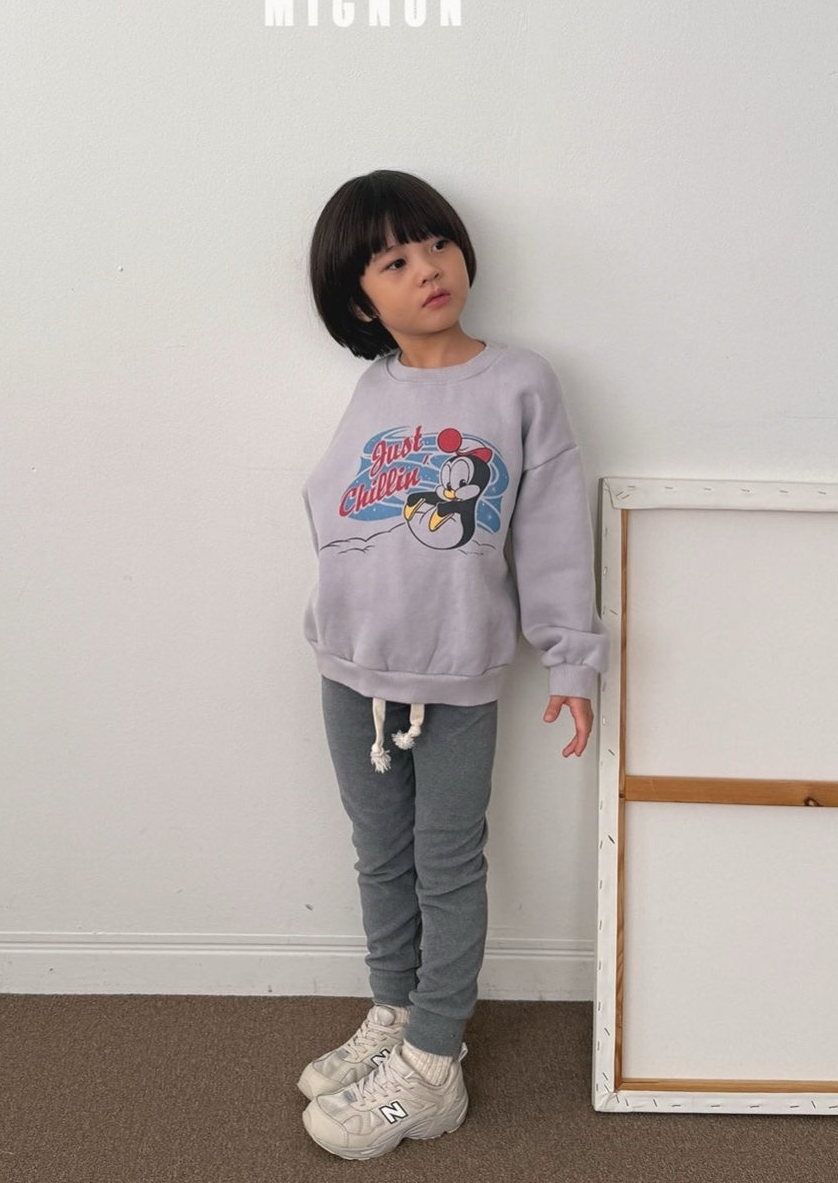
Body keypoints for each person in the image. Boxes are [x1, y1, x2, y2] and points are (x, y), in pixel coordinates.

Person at [296, 169, 609, 1160]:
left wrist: (570, 657)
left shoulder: (519, 382)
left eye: (435, 244)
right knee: (377, 853)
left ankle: (434, 1061)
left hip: (456, 675)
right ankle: (393, 1010)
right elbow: (333, 504)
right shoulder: (372, 387)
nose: (426, 268)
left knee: (445, 860)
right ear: (359, 300)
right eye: (393, 261)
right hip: (350, 668)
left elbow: (551, 528)